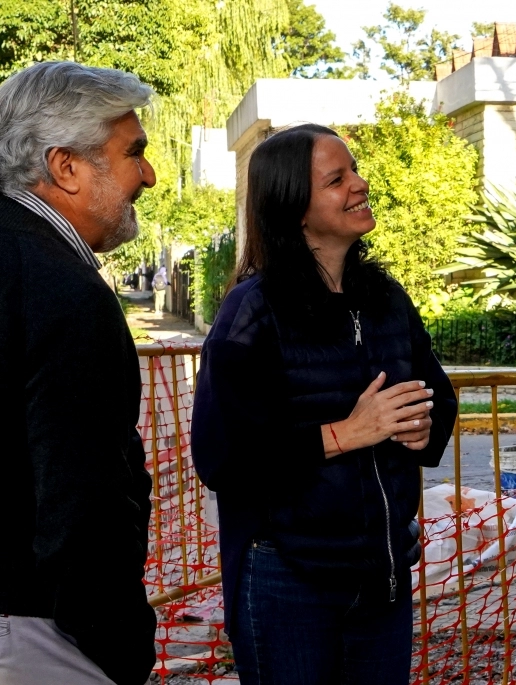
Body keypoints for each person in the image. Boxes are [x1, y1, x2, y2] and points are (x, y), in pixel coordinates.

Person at [0, 62, 158, 685]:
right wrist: (121, 647)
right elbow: (85, 509)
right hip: (14, 635)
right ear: (65, 166)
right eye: (134, 152)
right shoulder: (59, 286)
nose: (148, 176)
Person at [190, 124, 457, 685]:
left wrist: (422, 424)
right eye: (338, 179)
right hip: (287, 579)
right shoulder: (252, 311)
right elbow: (222, 457)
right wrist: (345, 433)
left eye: (354, 170)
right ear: (294, 207)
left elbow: (436, 392)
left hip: (381, 575)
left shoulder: (385, 298)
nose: (360, 185)